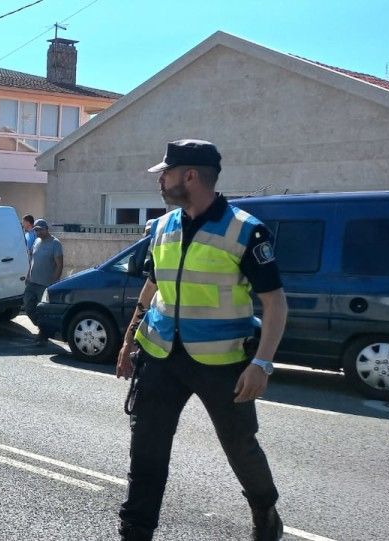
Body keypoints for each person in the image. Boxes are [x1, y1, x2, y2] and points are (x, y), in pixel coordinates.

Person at [115, 140, 287, 541]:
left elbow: (275, 303)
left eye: (167, 172)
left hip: (223, 362)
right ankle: (135, 532)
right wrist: (129, 339)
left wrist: (262, 363)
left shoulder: (245, 231)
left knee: (240, 446)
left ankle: (265, 511)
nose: (161, 179)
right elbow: (153, 286)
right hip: (160, 355)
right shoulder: (160, 227)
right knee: (146, 451)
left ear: (190, 175)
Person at [23, 219, 63, 345]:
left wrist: (53, 283)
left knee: (43, 310)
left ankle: (43, 333)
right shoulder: (36, 241)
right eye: (36, 230)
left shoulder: (55, 243)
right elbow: (32, 259)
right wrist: (28, 274)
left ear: (46, 229)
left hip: (45, 285)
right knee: (28, 307)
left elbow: (59, 265)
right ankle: (44, 328)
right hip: (32, 282)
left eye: (40, 229)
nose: (38, 232)